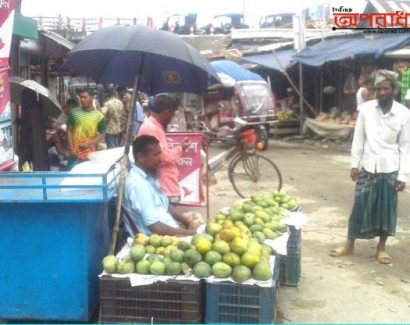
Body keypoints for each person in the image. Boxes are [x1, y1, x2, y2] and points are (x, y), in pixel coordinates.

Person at [330, 70, 410, 264]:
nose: (382, 92)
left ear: (394, 90)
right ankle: (350, 244)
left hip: (390, 167)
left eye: (386, 88)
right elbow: (359, 139)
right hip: (367, 165)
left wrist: (403, 176)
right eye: (378, 89)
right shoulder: (366, 110)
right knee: (359, 205)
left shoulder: (404, 114)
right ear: (374, 90)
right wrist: (354, 164)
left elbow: (406, 146)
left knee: (386, 209)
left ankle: (381, 248)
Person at [123, 135, 198, 236]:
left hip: (170, 230)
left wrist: (187, 222)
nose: (160, 159)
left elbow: (165, 205)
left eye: (160, 153)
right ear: (140, 157)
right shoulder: (137, 184)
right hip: (157, 240)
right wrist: (189, 233)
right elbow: (156, 228)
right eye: (156, 155)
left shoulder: (149, 176)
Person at [138, 94, 190, 202]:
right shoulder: (151, 128)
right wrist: (180, 148)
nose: (171, 120)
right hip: (164, 186)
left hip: (163, 184)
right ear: (166, 113)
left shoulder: (153, 125)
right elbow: (164, 158)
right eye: (172, 115)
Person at [66, 89, 107, 169]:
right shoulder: (74, 113)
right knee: (71, 174)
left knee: (88, 174)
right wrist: (72, 149)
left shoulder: (98, 115)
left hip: (90, 153)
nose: (82, 100)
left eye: (85, 97)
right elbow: (69, 131)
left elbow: (102, 133)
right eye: (81, 97)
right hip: (75, 152)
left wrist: (89, 143)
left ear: (92, 98)